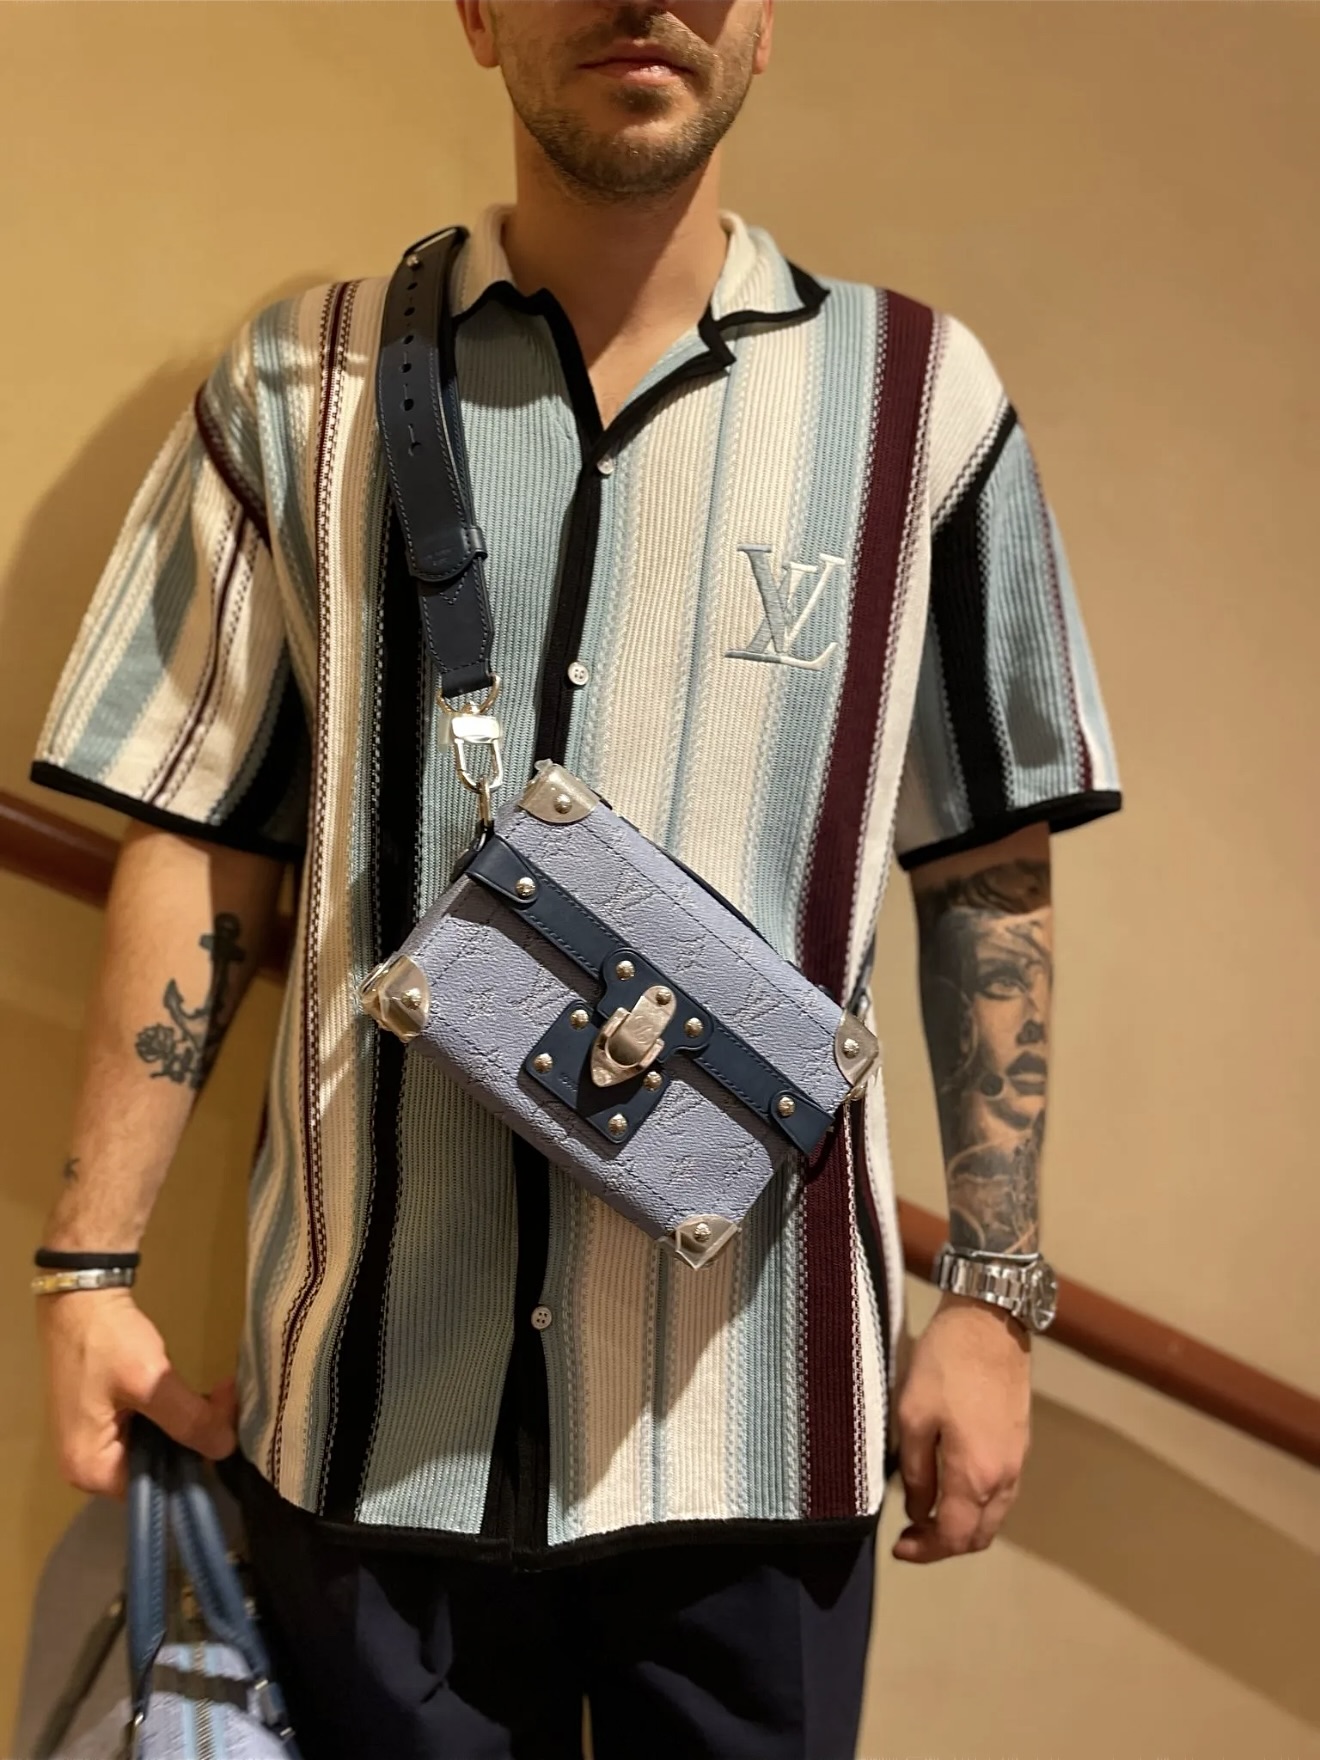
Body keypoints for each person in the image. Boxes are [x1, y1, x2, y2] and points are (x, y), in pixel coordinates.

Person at [30, 3, 1122, 1755]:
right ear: (477, 13)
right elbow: (197, 830)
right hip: (366, 1419)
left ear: (767, 21)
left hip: (761, 1433)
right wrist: (86, 1274)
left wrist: (992, 1301)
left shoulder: (925, 404)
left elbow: (985, 874)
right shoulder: (297, 388)